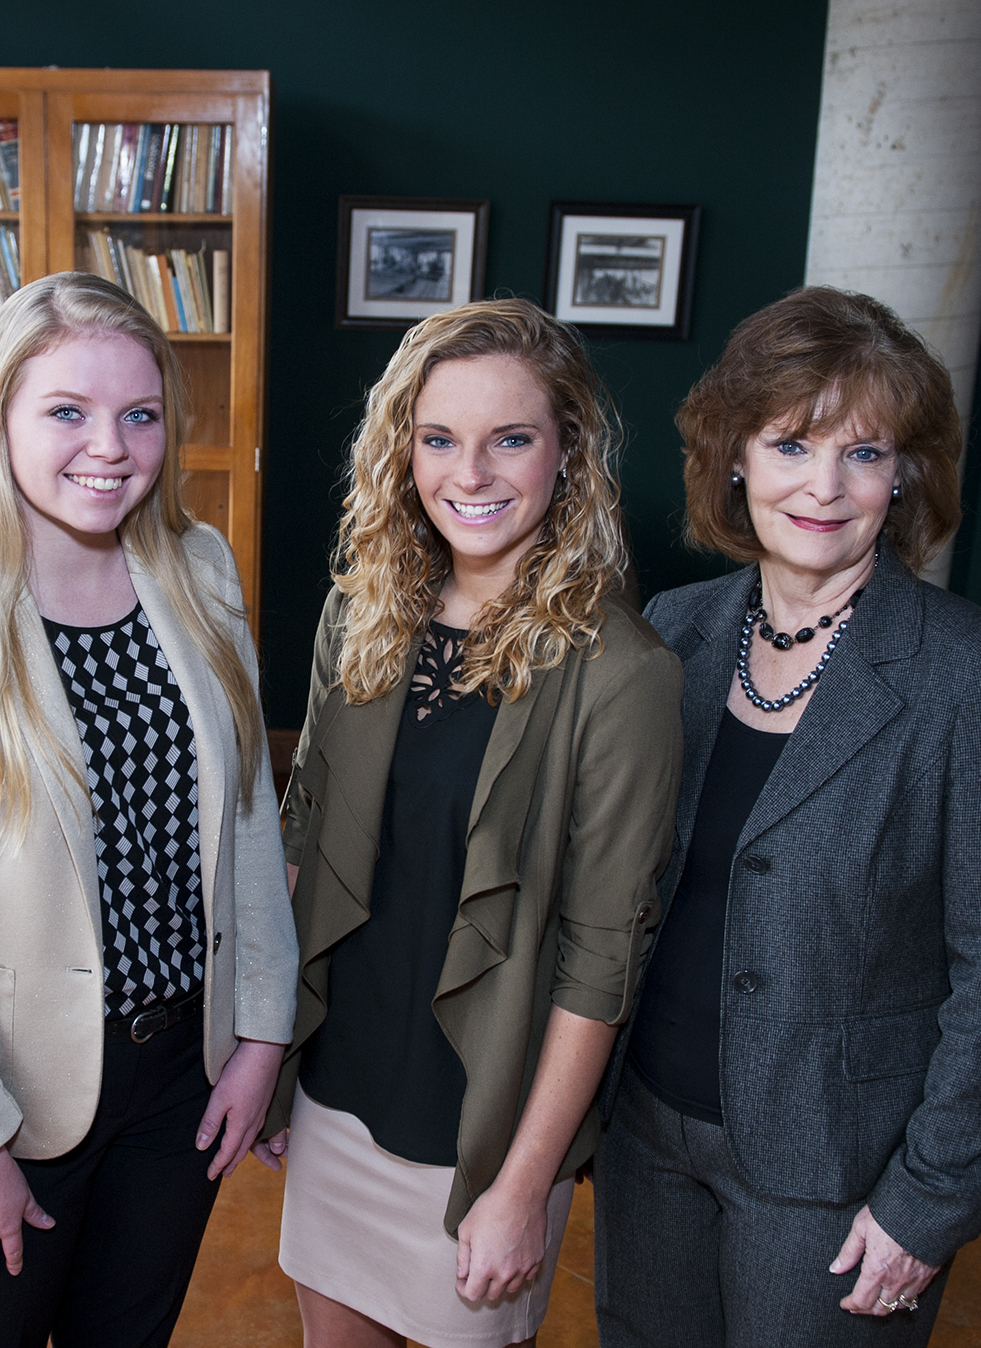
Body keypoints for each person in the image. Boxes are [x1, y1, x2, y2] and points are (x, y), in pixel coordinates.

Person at [0, 270, 298, 1348]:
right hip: (5, 1090)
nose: (111, 446)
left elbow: (247, 821)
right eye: (67, 412)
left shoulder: (201, 570)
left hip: (182, 1074)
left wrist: (262, 1035)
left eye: (139, 414)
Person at [592, 286, 981, 1347]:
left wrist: (930, 1197)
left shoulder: (976, 677)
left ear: (903, 478)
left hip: (837, 1171)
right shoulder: (676, 630)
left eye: (864, 453)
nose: (822, 485)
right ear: (736, 459)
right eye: (791, 443)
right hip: (645, 1130)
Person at [263, 298, 683, 1348]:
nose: (473, 473)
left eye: (512, 439)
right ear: (402, 449)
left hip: (484, 1130)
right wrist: (266, 1063)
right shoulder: (356, 620)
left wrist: (524, 1182)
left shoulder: (622, 673)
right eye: (440, 438)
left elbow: (602, 959)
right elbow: (302, 847)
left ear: (568, 453)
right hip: (337, 1093)